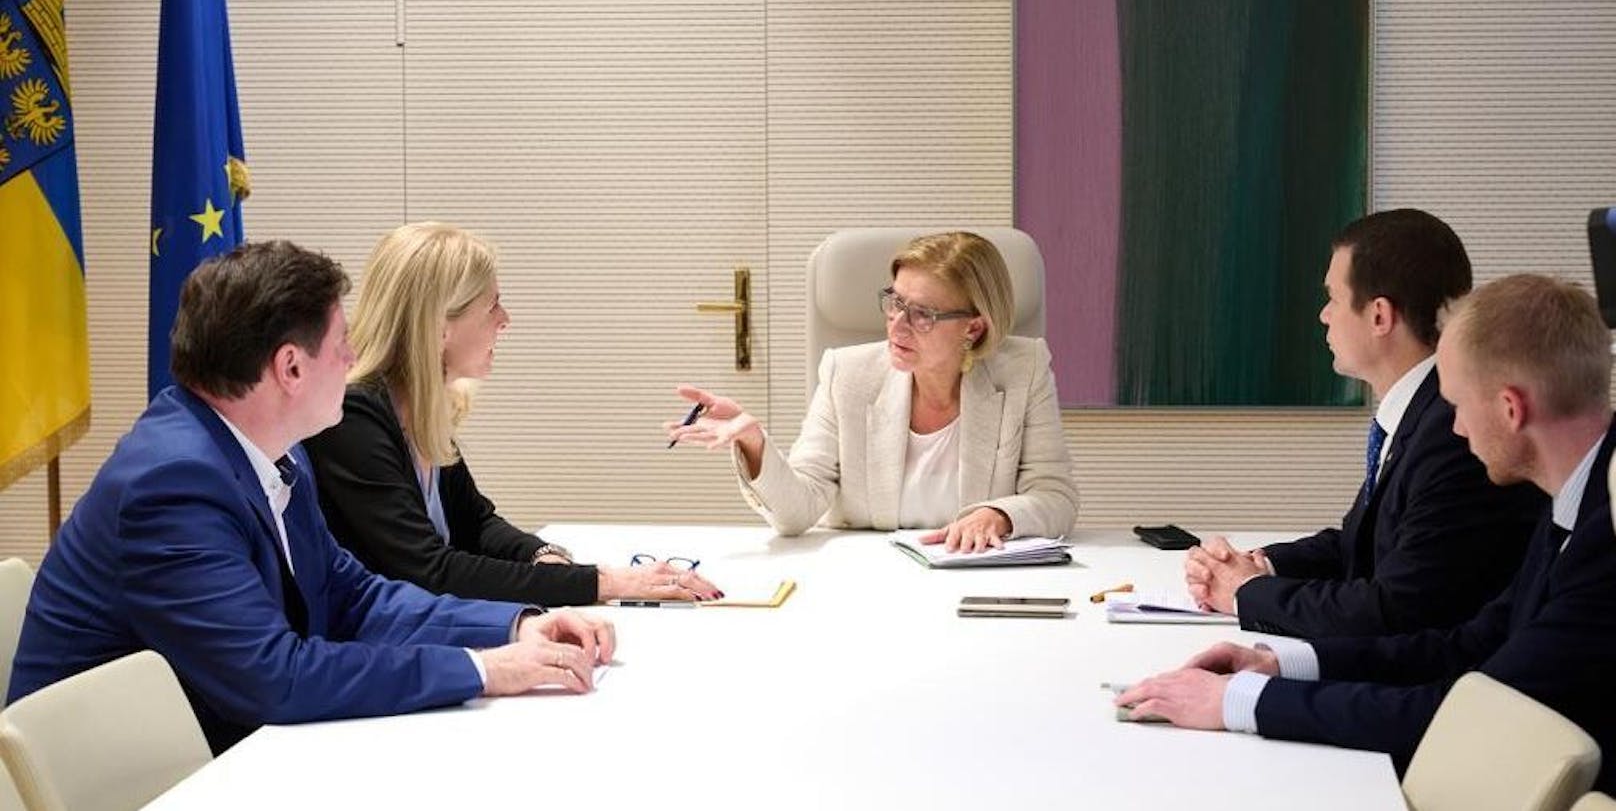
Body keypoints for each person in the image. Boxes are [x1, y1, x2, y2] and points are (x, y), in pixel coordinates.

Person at [7, 241, 616, 754]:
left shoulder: (276, 448)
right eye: (343, 342)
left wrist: (512, 627)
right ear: (291, 368)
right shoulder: (172, 486)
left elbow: (351, 595)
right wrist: (482, 669)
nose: (354, 359)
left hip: (217, 740)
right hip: (141, 777)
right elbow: (276, 678)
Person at [1119, 275, 1616, 791]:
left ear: (1511, 410)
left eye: (1460, 406)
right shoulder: (1578, 496)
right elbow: (1467, 645)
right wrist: (1278, 665)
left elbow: (1473, 715)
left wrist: (1239, 702)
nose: (1458, 430)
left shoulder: (1606, 539)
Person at [304, 222, 719, 605]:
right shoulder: (354, 417)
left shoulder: (421, 405)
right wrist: (602, 582)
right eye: (493, 306)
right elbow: (429, 571)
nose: (506, 320)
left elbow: (476, 523)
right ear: (438, 326)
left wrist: (541, 555)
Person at [1185, 209, 1541, 637]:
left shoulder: (1453, 431)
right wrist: (1259, 565)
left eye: (1333, 298)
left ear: (1379, 316)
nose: (1324, 315)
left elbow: (1395, 609)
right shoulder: (1421, 411)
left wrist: (1248, 592)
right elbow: (1362, 547)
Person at [667, 231, 1079, 550]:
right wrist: (754, 441)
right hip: (868, 578)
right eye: (895, 302)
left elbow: (1055, 496)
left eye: (922, 315)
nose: (897, 324)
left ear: (973, 327)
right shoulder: (846, 374)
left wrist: (999, 516)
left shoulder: (1025, 370)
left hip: (976, 578)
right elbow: (797, 513)